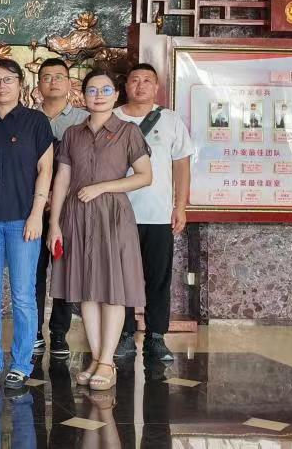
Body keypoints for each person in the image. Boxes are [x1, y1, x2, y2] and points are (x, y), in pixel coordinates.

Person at [47, 69, 153, 391]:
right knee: (86, 290)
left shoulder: (128, 131)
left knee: (113, 290)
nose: (98, 96)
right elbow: (62, 179)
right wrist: (54, 224)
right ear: (83, 96)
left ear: (116, 95)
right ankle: (96, 358)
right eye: (92, 90)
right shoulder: (72, 134)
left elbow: (145, 176)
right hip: (77, 216)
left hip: (112, 217)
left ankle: (107, 361)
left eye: (105, 90)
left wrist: (102, 187)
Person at [0, 60, 54, 389]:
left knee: (23, 295)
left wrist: (37, 213)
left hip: (23, 219)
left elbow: (46, 169)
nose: (1, 86)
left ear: (20, 83)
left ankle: (21, 363)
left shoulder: (36, 121)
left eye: (7, 80)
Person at [115, 64, 193, 362]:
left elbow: (182, 165)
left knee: (158, 278)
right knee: (120, 278)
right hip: (119, 213)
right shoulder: (113, 117)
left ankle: (156, 336)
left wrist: (180, 206)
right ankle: (123, 334)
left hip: (158, 214)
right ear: (126, 86)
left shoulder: (170, 120)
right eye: (134, 80)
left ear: (156, 87)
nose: (140, 85)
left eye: (147, 80)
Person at [32, 58, 88, 358]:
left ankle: (59, 333)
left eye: (59, 76)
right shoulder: (27, 117)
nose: (52, 82)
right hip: (33, 209)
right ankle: (34, 331)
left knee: (64, 270)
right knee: (33, 271)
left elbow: (88, 166)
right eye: (46, 76)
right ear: (38, 83)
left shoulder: (84, 119)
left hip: (69, 210)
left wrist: (60, 195)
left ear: (69, 83)